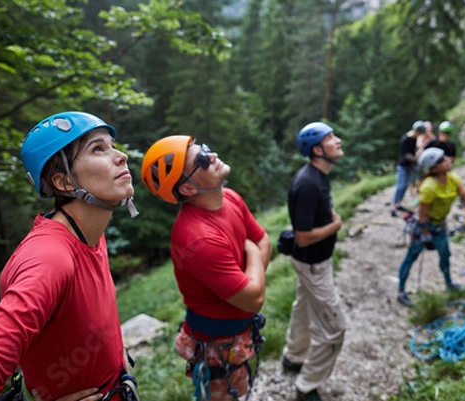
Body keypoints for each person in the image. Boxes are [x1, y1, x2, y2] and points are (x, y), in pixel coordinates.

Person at [0, 111, 140, 400]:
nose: (121, 156)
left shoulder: (88, 231)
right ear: (65, 182)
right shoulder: (49, 258)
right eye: (98, 149)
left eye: (112, 145)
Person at [140, 135, 271, 401]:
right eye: (201, 159)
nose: (211, 156)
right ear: (187, 189)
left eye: (206, 150)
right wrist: (252, 255)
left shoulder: (230, 198)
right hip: (219, 346)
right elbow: (254, 298)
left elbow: (264, 240)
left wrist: (251, 273)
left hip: (236, 334)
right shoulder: (197, 237)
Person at [281, 122, 346, 401]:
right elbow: (304, 237)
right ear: (318, 150)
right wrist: (336, 225)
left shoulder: (318, 175)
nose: (338, 140)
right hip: (313, 263)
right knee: (334, 329)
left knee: (303, 308)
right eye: (331, 138)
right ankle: (307, 387)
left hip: (312, 262)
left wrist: (330, 216)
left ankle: (292, 357)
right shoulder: (308, 183)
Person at [396, 148, 465, 306]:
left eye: (445, 158)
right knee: (411, 257)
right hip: (424, 227)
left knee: (445, 255)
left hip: (439, 226)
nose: (447, 160)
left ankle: (449, 283)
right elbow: (423, 214)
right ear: (433, 168)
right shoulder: (429, 187)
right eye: (441, 160)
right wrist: (425, 234)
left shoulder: (453, 178)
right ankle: (401, 291)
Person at [391, 120, 426, 217]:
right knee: (400, 186)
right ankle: (393, 207)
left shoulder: (414, 139)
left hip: (411, 166)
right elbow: (406, 155)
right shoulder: (405, 139)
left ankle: (398, 204)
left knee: (405, 186)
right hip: (403, 166)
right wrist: (417, 160)